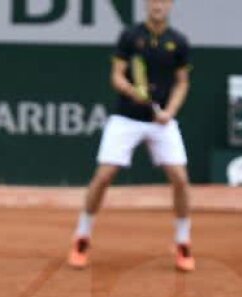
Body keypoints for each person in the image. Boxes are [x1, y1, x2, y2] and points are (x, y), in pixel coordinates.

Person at [68, 0, 194, 272]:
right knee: (104, 176)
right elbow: (116, 76)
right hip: (126, 119)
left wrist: (169, 112)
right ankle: (82, 236)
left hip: (161, 123)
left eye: (163, 1)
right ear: (147, 5)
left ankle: (183, 241)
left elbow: (182, 82)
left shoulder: (179, 42)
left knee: (180, 180)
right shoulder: (130, 36)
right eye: (153, 1)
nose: (158, 6)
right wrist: (131, 91)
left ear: (170, 5)